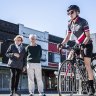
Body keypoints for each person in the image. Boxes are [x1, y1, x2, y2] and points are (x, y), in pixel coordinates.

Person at [57, 5, 95, 96]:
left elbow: (88, 36)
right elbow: (67, 37)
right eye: (68, 13)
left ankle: (91, 88)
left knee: (87, 64)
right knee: (70, 56)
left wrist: (83, 44)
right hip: (78, 43)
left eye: (71, 12)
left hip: (87, 43)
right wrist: (62, 43)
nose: (69, 14)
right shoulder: (70, 23)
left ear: (77, 12)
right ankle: (77, 74)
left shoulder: (83, 21)